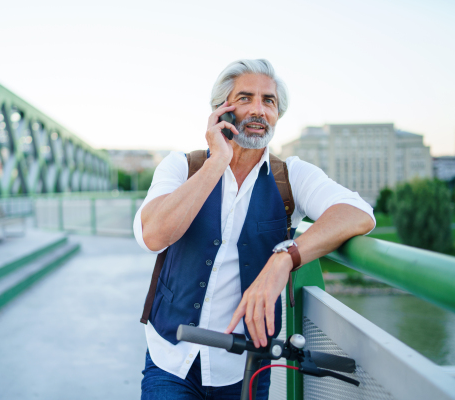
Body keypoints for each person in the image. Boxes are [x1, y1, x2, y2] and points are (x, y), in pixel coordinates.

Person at [133, 59, 375, 400]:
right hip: (171, 359)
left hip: (246, 368)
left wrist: (285, 259)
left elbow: (357, 213)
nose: (258, 110)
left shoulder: (291, 176)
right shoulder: (181, 167)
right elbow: (153, 235)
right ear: (222, 110)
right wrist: (217, 161)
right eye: (245, 98)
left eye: (269, 101)